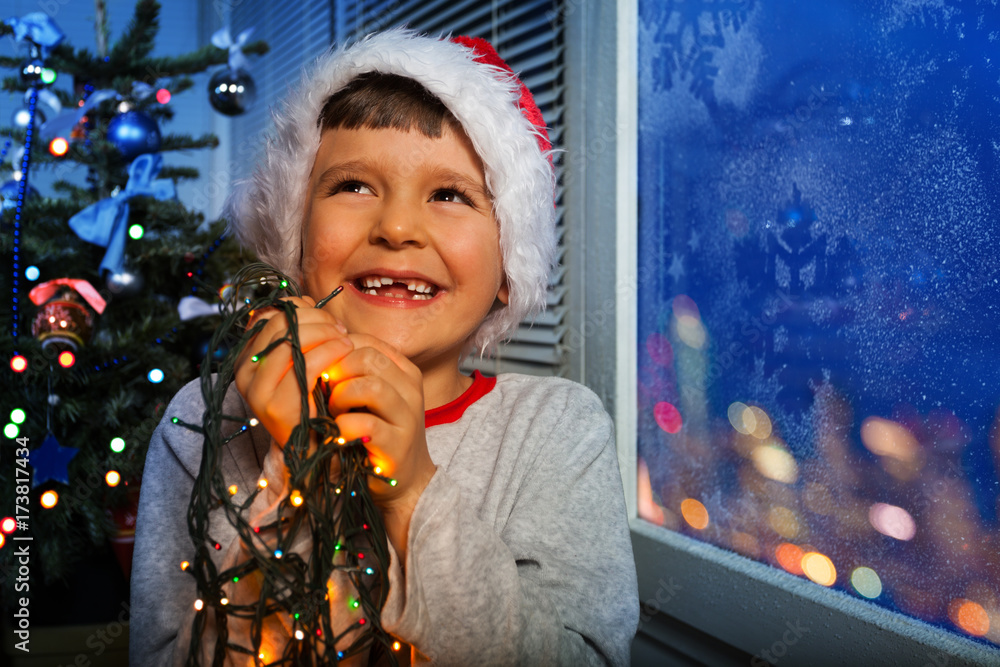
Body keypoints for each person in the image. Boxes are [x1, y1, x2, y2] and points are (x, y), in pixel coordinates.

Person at [131, 29, 638, 666]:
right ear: (295, 231)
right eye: (353, 186)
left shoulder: (556, 431)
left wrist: (412, 490)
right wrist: (297, 473)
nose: (397, 227)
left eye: (450, 195)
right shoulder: (203, 425)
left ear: (509, 265)